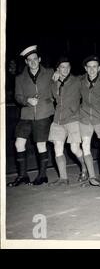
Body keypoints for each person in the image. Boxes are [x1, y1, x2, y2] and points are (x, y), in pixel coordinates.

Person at [8, 45, 55, 186]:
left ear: (39, 59)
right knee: (19, 143)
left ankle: (42, 175)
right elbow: (18, 96)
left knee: (40, 144)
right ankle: (23, 176)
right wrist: (26, 100)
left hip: (43, 113)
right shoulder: (20, 78)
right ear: (26, 62)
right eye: (30, 60)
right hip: (26, 115)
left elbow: (60, 86)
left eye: (35, 59)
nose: (33, 62)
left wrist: (51, 99)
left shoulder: (50, 73)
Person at [48, 57, 85, 186]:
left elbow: (91, 77)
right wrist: (55, 80)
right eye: (62, 67)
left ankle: (85, 169)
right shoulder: (54, 83)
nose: (65, 69)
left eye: (68, 67)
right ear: (57, 69)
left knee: (75, 148)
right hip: (58, 119)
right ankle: (63, 178)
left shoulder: (77, 81)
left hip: (73, 119)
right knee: (57, 148)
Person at [79, 55, 100, 187]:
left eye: (95, 66)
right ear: (86, 68)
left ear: (99, 68)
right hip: (85, 117)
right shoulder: (80, 81)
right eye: (89, 67)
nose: (92, 69)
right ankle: (92, 177)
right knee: (85, 145)